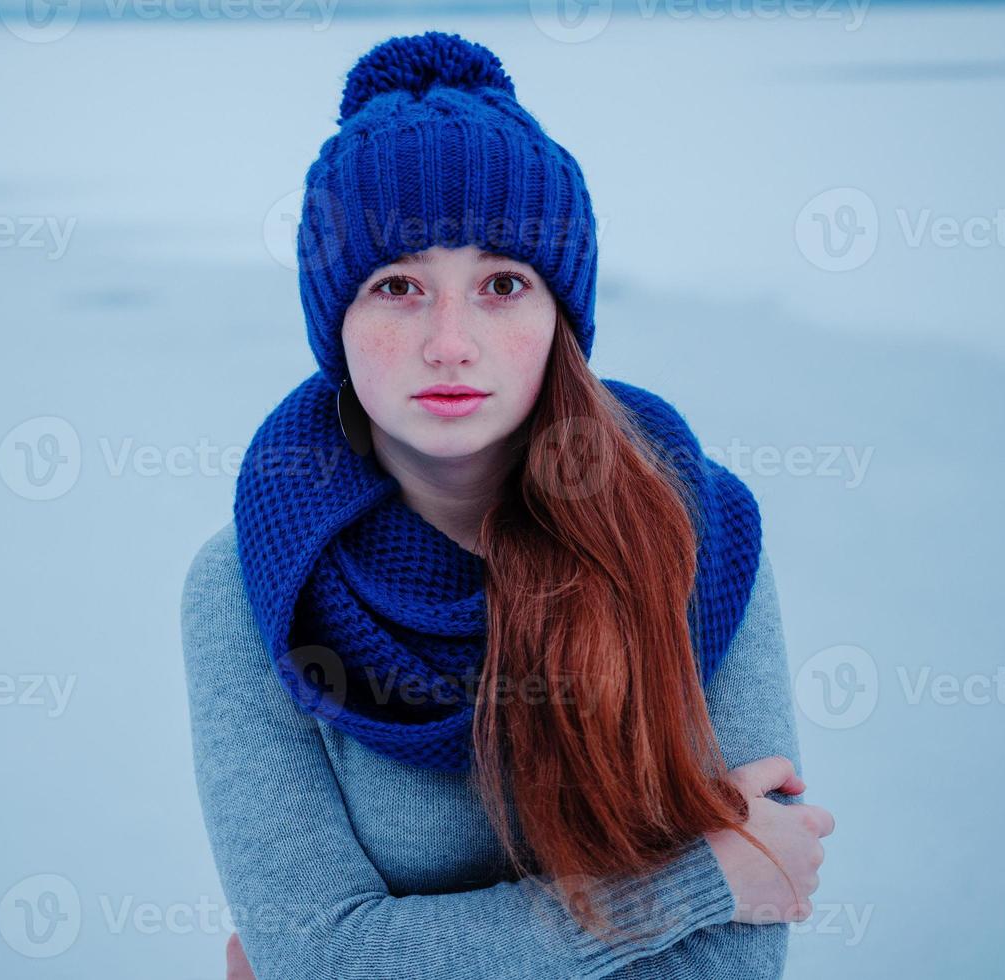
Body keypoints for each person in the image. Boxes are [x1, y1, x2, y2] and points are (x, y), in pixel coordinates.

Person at [181, 31, 834, 979]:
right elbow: (323, 956)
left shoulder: (695, 535)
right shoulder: (253, 588)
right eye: (398, 286)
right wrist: (694, 885)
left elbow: (732, 966)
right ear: (337, 323)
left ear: (559, 317)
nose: (451, 343)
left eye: (501, 285)